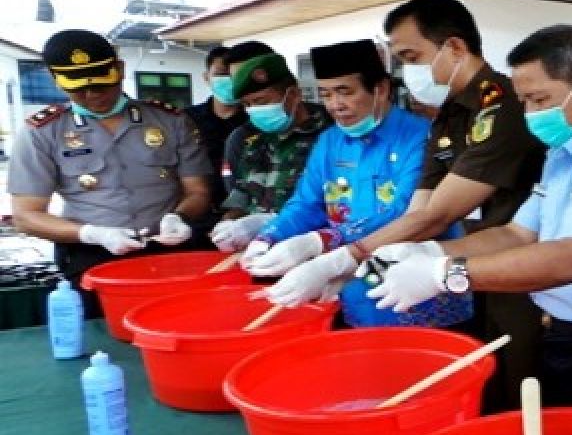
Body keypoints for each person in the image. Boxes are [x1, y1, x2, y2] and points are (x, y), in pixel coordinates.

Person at [271, 0, 546, 410]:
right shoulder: (451, 113)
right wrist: (359, 265)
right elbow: (421, 210)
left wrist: (343, 257)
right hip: (462, 266)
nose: (406, 71)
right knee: (474, 387)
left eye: (411, 56)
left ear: (454, 47)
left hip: (518, 270)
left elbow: (440, 212)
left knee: (515, 393)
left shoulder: (501, 107)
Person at [363, 25, 572, 408]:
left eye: (538, 99)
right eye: (525, 102)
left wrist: (445, 275)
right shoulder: (567, 150)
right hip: (558, 331)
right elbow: (517, 234)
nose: (531, 114)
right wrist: (431, 252)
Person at [249, 39, 470, 329]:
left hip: (424, 297)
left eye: (345, 92)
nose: (335, 105)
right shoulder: (329, 142)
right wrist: (269, 236)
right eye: (325, 94)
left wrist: (323, 242)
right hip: (354, 296)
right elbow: (306, 203)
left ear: (381, 89)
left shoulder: (423, 138)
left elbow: (409, 214)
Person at [8, 29, 212, 316]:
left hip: (169, 248)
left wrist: (179, 216)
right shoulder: (42, 132)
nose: (92, 95)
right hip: (92, 256)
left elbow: (198, 191)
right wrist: (92, 233)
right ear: (57, 81)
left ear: (119, 69)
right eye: (78, 89)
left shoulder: (170, 121)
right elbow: (26, 216)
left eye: (103, 84)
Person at [209, 52, 331, 254]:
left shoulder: (331, 137)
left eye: (261, 101)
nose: (254, 111)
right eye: (247, 105)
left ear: (293, 95)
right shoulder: (254, 143)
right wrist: (229, 223)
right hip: (258, 254)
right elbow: (241, 196)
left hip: (310, 252)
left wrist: (273, 222)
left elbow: (341, 208)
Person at [184, 45, 247, 206]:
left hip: (246, 208)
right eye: (221, 74)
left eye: (234, 75)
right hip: (197, 208)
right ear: (206, 77)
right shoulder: (186, 119)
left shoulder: (256, 119)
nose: (228, 80)